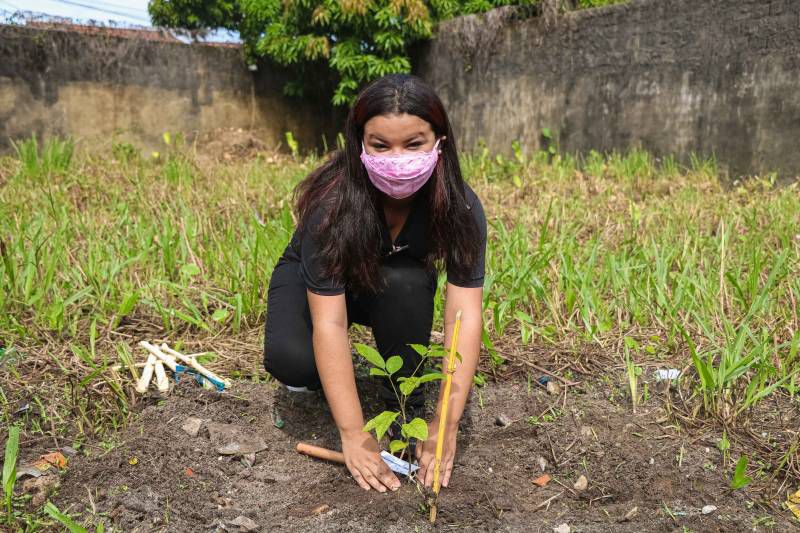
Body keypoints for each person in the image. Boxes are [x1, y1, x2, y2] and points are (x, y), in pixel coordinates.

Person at [263, 73, 487, 494]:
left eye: (414, 143)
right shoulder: (330, 206)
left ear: (440, 142)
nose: (397, 157)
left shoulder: (459, 207)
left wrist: (445, 422)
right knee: (293, 360)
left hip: (388, 284)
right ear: (359, 144)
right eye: (381, 145)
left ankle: (403, 402)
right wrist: (353, 434)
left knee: (405, 281)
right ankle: (329, 379)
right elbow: (328, 323)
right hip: (320, 283)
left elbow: (464, 314)